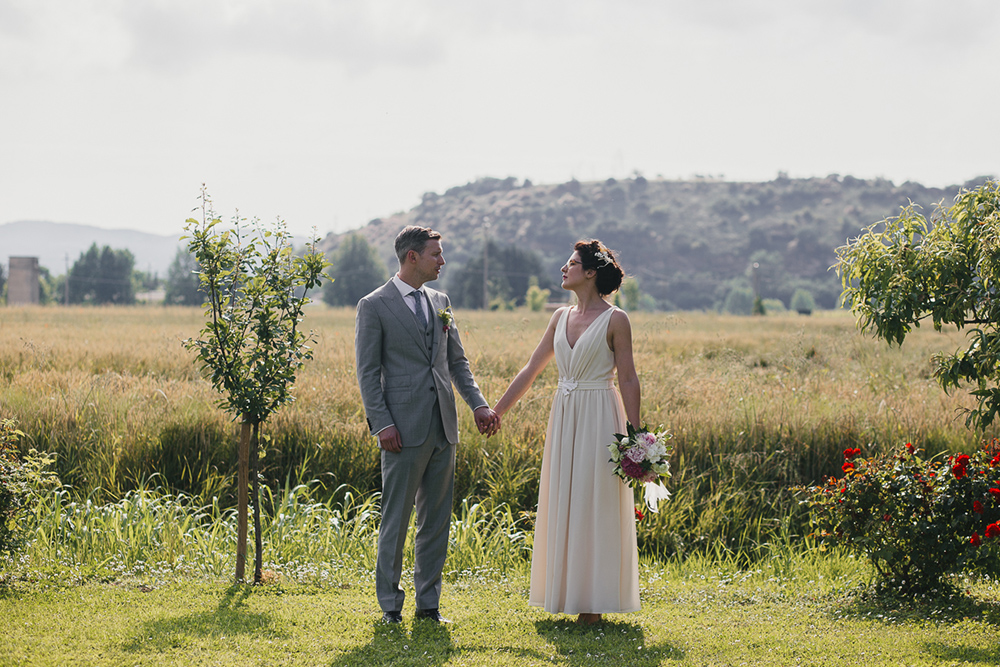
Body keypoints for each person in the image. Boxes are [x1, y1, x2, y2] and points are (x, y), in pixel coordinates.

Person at [355, 225, 500, 625]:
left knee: (435, 521)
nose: (443, 260)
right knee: (396, 520)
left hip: (444, 426)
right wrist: (381, 424)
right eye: (436, 254)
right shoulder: (374, 305)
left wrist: (479, 405)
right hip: (401, 429)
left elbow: (457, 362)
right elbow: (367, 372)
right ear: (412, 257)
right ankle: (389, 606)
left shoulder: (441, 301)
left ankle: (428, 606)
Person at [492, 239, 641, 625]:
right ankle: (564, 593)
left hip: (600, 415)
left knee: (596, 502)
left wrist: (636, 435)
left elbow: (627, 376)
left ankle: (593, 603)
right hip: (565, 414)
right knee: (565, 498)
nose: (563, 268)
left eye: (571, 263)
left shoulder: (616, 319)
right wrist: (497, 411)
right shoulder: (558, 316)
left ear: (591, 272)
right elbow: (531, 368)